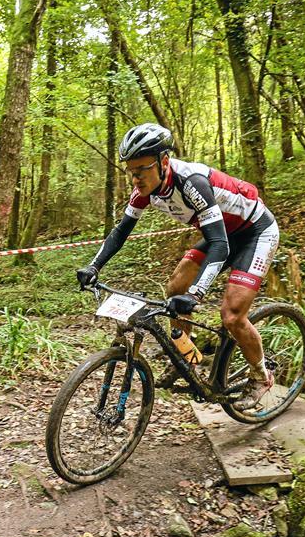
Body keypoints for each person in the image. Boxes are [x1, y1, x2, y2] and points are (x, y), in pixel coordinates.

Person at [76, 123, 279, 411]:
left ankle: (261, 376)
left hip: (255, 232)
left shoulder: (192, 183)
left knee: (232, 316)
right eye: (131, 171)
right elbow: (121, 232)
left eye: (142, 169)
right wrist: (94, 266)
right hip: (222, 233)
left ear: (164, 162)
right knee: (175, 287)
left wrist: (196, 295)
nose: (135, 178)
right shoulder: (145, 190)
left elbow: (219, 245)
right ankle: (188, 356)